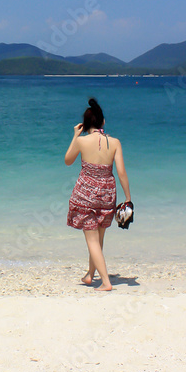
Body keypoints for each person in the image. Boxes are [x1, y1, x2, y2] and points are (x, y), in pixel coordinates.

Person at [64, 97, 131, 291]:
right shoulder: (115, 142)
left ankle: (105, 282)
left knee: (92, 240)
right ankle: (90, 275)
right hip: (107, 194)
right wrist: (128, 198)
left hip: (85, 195)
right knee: (98, 238)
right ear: (103, 121)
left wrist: (75, 136)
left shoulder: (82, 141)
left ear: (84, 125)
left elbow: (68, 160)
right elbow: (121, 172)